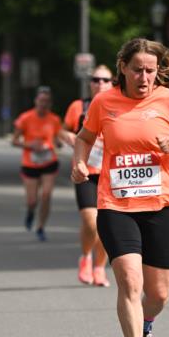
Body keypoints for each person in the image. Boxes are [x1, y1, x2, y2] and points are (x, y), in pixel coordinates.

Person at [72, 37, 169, 337]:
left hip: (161, 204)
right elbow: (85, 137)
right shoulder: (105, 102)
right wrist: (79, 163)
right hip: (117, 204)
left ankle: (146, 326)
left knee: (159, 293)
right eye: (137, 70)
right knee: (130, 281)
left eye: (150, 71)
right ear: (123, 68)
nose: (144, 77)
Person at [61, 65, 113, 286]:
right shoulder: (78, 106)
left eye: (105, 79)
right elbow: (62, 129)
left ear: (112, 83)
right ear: (90, 83)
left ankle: (100, 267)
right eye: (95, 79)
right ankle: (86, 257)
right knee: (91, 222)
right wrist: (71, 138)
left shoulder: (118, 105)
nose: (100, 83)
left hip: (111, 174)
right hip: (85, 171)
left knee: (107, 225)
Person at [12, 86, 62, 241]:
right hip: (30, 163)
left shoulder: (54, 119)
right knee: (32, 200)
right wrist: (30, 145)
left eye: (46, 101)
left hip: (49, 161)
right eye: (41, 101)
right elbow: (14, 140)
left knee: (46, 195)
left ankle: (41, 227)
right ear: (35, 101)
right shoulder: (26, 118)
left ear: (50, 104)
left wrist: (57, 144)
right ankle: (30, 212)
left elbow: (57, 139)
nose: (43, 104)